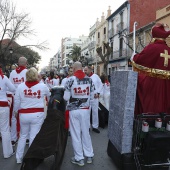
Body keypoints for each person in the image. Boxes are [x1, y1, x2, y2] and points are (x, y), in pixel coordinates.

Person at [13, 67, 51, 164]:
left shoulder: (20, 87)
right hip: (37, 115)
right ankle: (31, 158)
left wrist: (16, 111)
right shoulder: (42, 86)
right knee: (34, 136)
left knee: (22, 136)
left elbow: (16, 101)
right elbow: (49, 96)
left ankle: (19, 157)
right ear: (36, 75)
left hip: (24, 115)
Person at [132, 23, 170, 114]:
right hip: (167, 85)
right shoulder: (169, 50)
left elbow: (138, 60)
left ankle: (149, 123)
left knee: (151, 105)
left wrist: (134, 56)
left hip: (152, 85)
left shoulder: (151, 48)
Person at [64, 62, 95, 166]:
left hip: (74, 110)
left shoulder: (70, 80)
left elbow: (66, 97)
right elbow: (92, 95)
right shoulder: (89, 80)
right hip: (85, 110)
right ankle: (89, 155)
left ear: (73, 68)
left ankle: (79, 158)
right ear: (81, 68)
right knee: (86, 132)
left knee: (76, 134)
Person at [9, 56, 28, 146]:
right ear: (26, 63)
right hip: (25, 97)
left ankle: (13, 138)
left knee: (14, 117)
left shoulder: (12, 72)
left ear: (18, 62)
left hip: (15, 97)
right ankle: (26, 137)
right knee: (26, 117)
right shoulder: (27, 72)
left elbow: (10, 86)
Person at [0, 65, 16, 158]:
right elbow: (13, 89)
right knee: (5, 130)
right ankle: (7, 153)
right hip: (2, 105)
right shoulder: (4, 78)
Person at [84, 66, 103, 133]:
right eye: (84, 70)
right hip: (87, 98)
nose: (85, 71)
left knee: (95, 112)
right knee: (87, 113)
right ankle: (87, 127)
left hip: (95, 97)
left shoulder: (96, 76)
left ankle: (95, 126)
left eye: (86, 70)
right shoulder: (84, 77)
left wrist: (98, 93)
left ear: (90, 70)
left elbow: (100, 85)